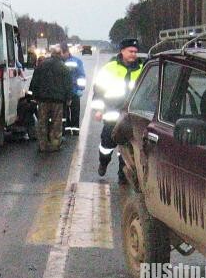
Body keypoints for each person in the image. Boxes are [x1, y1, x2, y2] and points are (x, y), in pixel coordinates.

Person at [93, 38, 144, 182]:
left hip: (131, 117)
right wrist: (98, 109)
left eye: (135, 52)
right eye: (130, 51)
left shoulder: (142, 69)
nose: (133, 54)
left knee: (127, 148)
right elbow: (99, 90)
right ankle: (103, 163)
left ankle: (123, 175)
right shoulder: (110, 68)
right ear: (122, 51)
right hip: (112, 116)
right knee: (107, 145)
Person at [28, 44, 73, 152]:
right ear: (60, 54)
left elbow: (35, 81)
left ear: (51, 54)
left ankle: (42, 145)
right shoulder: (64, 67)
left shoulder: (42, 65)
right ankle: (55, 144)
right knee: (56, 123)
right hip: (58, 100)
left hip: (43, 99)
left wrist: (34, 96)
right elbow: (68, 85)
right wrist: (68, 98)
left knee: (42, 122)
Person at [61, 44, 86, 135]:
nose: (62, 55)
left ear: (67, 52)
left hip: (74, 90)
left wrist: (80, 88)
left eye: (63, 53)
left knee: (75, 111)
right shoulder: (60, 61)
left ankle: (75, 130)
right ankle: (67, 130)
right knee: (65, 112)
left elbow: (81, 75)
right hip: (64, 91)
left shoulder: (77, 61)